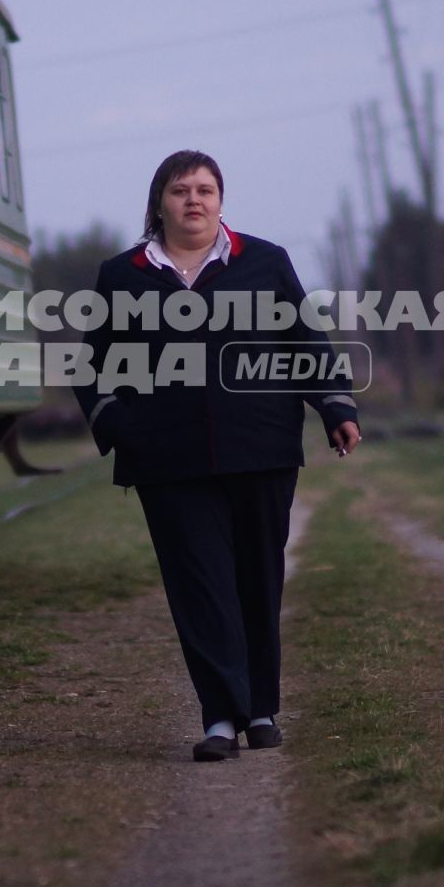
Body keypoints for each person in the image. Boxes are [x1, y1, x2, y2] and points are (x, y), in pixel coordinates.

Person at [75, 150, 362, 762]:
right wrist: (120, 427)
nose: (194, 200)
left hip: (260, 447)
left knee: (257, 579)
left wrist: (336, 408)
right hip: (167, 460)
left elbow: (306, 340)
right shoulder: (122, 275)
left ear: (221, 200)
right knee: (200, 586)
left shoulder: (264, 261)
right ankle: (219, 720)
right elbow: (89, 365)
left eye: (206, 189)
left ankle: (260, 709)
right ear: (160, 203)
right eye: (181, 190)